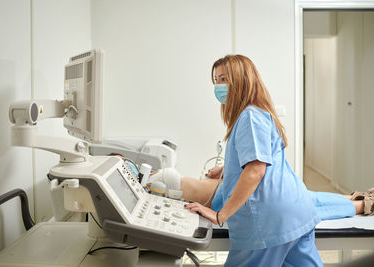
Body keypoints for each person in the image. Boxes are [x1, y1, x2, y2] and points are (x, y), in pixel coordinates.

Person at [181, 55, 322, 267]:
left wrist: (220, 215)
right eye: (216, 80)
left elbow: (255, 171)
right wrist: (228, 169)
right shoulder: (259, 113)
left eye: (223, 79)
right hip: (297, 213)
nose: (218, 86)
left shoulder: (249, 117)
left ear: (241, 80)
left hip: (269, 222)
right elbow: (262, 160)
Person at [149, 166, 374, 219]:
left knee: (309, 200)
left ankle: (362, 203)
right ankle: (360, 201)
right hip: (227, 195)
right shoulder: (153, 183)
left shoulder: (155, 180)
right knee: (309, 200)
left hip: (231, 192)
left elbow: (253, 165)